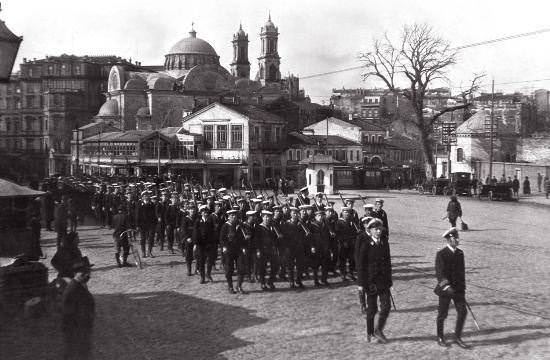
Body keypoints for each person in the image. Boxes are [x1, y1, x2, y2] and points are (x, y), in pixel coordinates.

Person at [356, 218, 393, 344]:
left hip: (383, 282)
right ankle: (370, 332)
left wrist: (390, 281)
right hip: (370, 282)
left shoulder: (384, 243)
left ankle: (379, 330)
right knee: (372, 310)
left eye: (380, 229)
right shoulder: (366, 244)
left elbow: (388, 263)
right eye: (376, 229)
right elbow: (361, 265)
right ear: (370, 230)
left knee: (386, 307)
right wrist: (361, 284)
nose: (378, 231)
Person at [435, 228, 470, 349]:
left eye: (458, 237)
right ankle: (440, 337)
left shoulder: (460, 253)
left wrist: (462, 289)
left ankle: (457, 336)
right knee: (442, 314)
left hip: (458, 289)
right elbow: (440, 274)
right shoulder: (441, 254)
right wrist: (447, 286)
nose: (458, 240)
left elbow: (461, 273)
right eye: (456, 238)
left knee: (463, 312)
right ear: (449, 239)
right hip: (446, 290)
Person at [61, 257, 95, 360]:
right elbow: (68, 313)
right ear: (76, 273)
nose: (87, 275)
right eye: (84, 272)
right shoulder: (72, 290)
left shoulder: (80, 285)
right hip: (77, 329)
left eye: (88, 272)